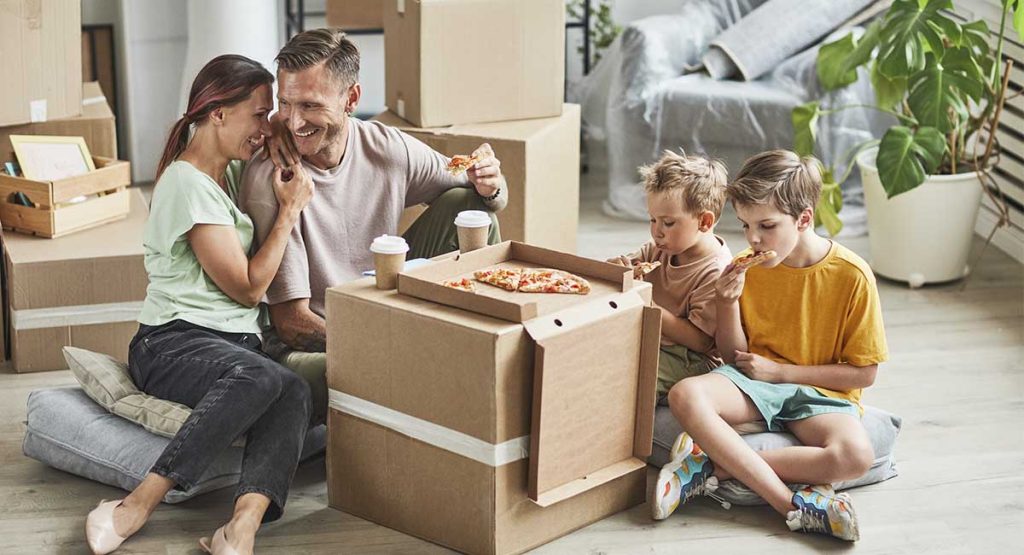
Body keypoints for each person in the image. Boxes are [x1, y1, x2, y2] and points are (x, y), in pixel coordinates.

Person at [84, 54, 315, 555]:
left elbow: (270, 131)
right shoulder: (185, 183)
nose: (264, 126)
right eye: (258, 114)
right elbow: (249, 289)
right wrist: (290, 212)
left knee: (294, 390)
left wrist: (272, 135)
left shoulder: (220, 179)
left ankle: (240, 530)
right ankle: (137, 504)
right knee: (264, 377)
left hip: (230, 349)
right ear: (217, 113)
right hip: (173, 343)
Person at [238, 29, 508, 424]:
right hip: (314, 345)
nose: (294, 123)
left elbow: (473, 182)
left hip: (383, 310)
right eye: (285, 104)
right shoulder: (272, 178)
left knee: (467, 206)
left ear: (351, 99)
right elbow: (292, 324)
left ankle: (481, 339)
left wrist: (493, 183)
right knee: (339, 376)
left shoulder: (387, 148)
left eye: (310, 105)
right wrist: (389, 343)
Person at [651, 150, 887, 542]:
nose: (753, 239)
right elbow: (730, 356)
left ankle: (713, 467)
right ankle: (791, 506)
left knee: (856, 456)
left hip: (821, 396)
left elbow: (865, 373)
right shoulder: (749, 267)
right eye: (745, 225)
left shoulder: (853, 276)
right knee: (686, 394)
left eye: (767, 225)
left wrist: (782, 372)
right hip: (753, 385)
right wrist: (727, 302)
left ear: (804, 218)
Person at [608, 150, 732, 399]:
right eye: (652, 220)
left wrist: (646, 302)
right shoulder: (658, 250)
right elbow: (624, 268)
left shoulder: (716, 271)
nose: (657, 232)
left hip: (694, 360)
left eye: (668, 222)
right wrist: (614, 270)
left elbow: (701, 342)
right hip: (653, 340)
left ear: (704, 222)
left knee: (624, 378)